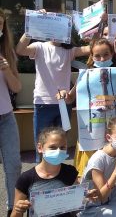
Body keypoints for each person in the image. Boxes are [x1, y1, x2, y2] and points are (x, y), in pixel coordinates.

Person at [16, 22, 90, 162]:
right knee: (43, 144)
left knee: (61, 143)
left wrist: (97, 27)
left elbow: (92, 49)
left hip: (64, 104)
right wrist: (32, 24)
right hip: (43, 103)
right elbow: (20, 49)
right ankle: (42, 177)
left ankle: (59, 173)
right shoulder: (39, 46)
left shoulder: (69, 51)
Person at [58, 38, 116, 178]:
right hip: (92, 131)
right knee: (88, 172)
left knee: (109, 172)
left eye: (106, 54)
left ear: (112, 54)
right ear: (92, 57)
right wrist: (64, 94)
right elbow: (71, 98)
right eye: (97, 56)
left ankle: (106, 196)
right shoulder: (85, 75)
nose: (102, 59)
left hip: (112, 131)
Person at [11, 127, 97, 217]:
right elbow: (15, 214)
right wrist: (18, 210)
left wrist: (84, 195)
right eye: (52, 147)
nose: (58, 151)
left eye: (62, 147)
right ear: (40, 148)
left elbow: (73, 201)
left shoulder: (70, 172)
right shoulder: (26, 178)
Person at [0, 9, 22, 216]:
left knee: (13, 165)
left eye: (0, 25)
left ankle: (11, 209)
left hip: (6, 117)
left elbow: (16, 88)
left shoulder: (6, 52)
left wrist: (6, 70)